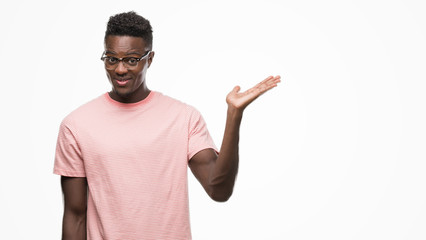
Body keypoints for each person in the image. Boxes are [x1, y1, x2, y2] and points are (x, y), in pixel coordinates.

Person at [54, 11, 280, 240]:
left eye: (132, 60)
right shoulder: (77, 125)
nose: (120, 69)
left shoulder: (183, 118)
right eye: (112, 59)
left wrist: (234, 115)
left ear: (149, 59)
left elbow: (219, 189)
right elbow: (75, 216)